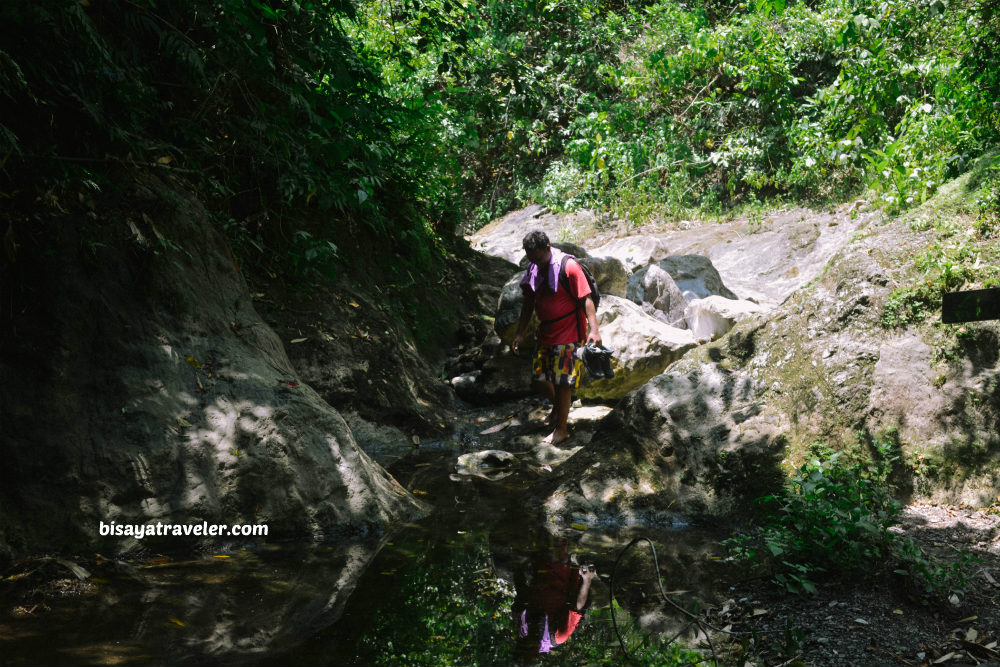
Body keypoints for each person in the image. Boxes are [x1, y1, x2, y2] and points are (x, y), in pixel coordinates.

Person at [511, 230, 601, 445]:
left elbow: (586, 298)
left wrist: (594, 329)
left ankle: (562, 429)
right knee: (540, 378)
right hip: (546, 332)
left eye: (539, 258)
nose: (537, 263)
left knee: (562, 382)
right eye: (532, 259)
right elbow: (528, 303)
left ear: (548, 248)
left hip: (570, 331)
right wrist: (520, 332)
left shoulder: (568, 266)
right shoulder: (533, 269)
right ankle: (559, 409)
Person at [512, 539, 597, 661]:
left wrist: (517, 566)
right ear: (537, 654)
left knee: (542, 538)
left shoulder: (522, 625)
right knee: (559, 543)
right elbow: (577, 607)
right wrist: (587, 579)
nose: (530, 644)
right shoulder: (557, 636)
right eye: (531, 649)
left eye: (524, 645)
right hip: (564, 579)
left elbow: (521, 593)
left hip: (541, 573)